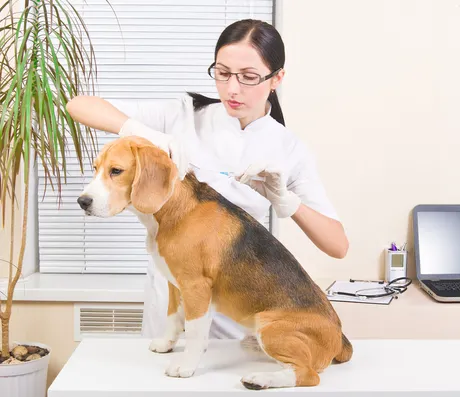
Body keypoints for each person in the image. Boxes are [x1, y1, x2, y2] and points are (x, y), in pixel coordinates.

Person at [66, 19, 349, 340]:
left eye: (248, 77)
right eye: (223, 73)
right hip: (170, 304)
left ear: (277, 78)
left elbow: (337, 245)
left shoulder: (289, 149)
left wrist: (288, 202)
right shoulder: (185, 114)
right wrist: (140, 131)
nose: (232, 88)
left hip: (237, 313)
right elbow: (78, 105)